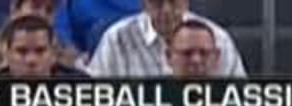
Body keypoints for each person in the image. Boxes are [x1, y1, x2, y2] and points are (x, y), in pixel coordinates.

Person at [87, 0, 244, 76]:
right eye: (157, 2)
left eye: (174, 1)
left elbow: (241, 103)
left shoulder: (217, 38)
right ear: (144, 2)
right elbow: (92, 102)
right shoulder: (116, 40)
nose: (166, 10)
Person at [0, 11, 88, 77]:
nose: (31, 60)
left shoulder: (82, 87)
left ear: (54, 53)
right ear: (7, 54)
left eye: (40, 51)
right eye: (22, 51)